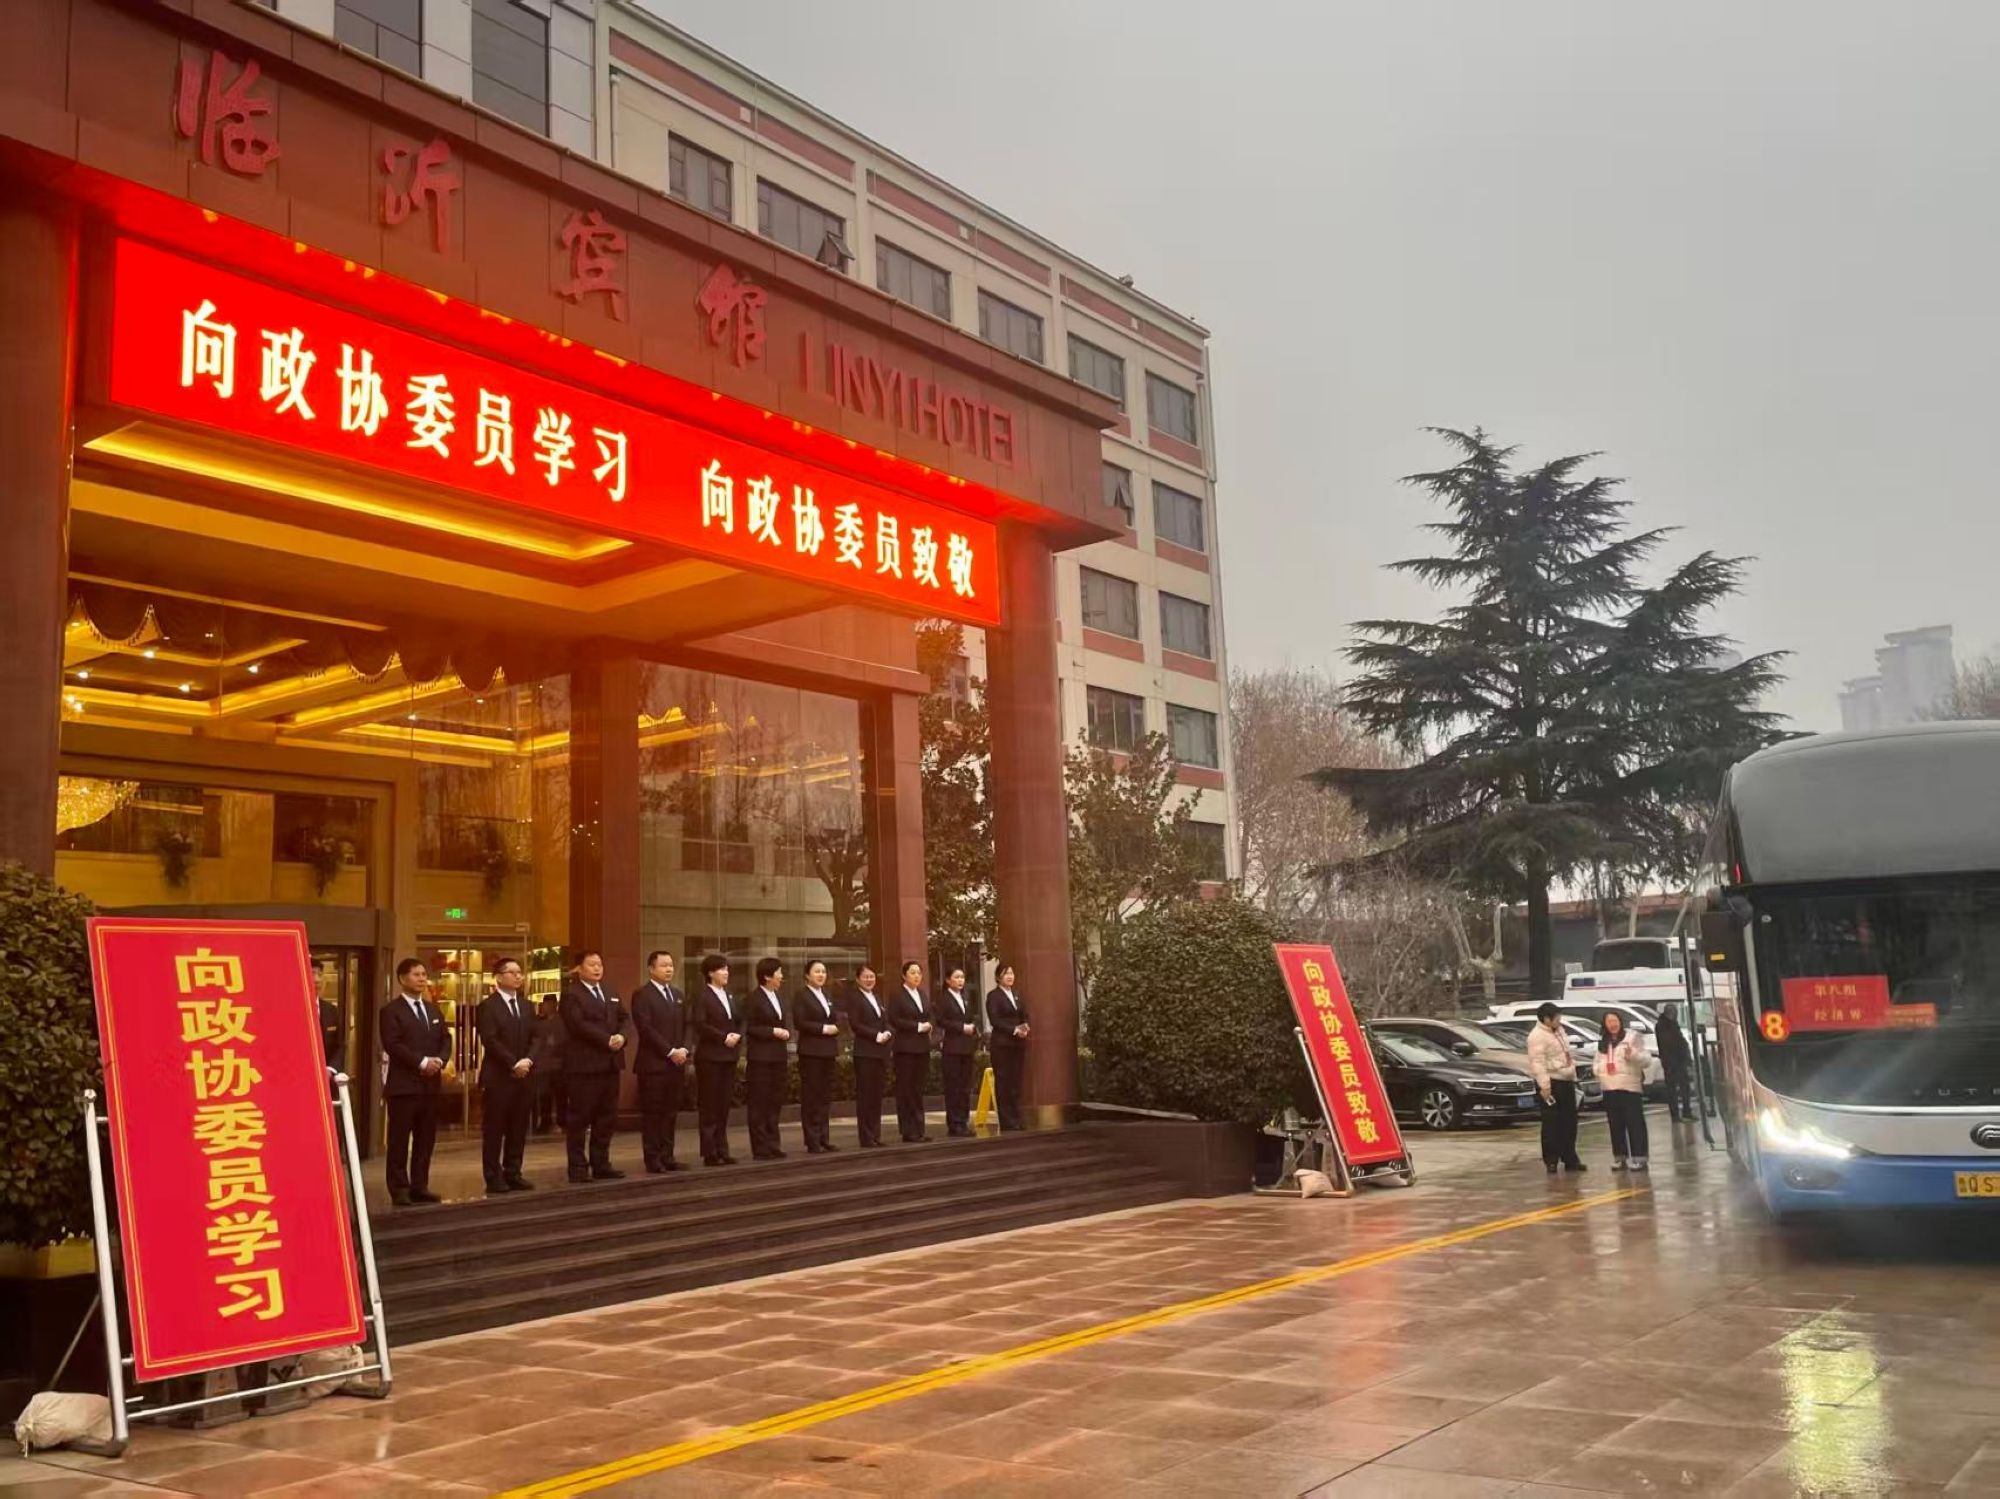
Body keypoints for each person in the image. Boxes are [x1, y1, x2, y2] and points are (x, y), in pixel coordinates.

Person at [379, 958, 451, 1207]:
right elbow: (393, 1044)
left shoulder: (433, 1010)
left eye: (423, 974)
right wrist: (421, 1062)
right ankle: (399, 1188)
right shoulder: (391, 1011)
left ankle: (420, 1186)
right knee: (399, 1140)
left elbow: (446, 1039)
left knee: (425, 1139)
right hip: (404, 1087)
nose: (422, 979)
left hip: (430, 1086)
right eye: (416, 974)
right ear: (402, 979)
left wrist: (440, 1060)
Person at [560, 950, 627, 1183]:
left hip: (610, 1064)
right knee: (580, 1118)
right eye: (591, 964)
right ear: (579, 969)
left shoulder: (610, 991)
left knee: (606, 1117)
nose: (597, 968)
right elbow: (577, 1024)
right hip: (584, 1066)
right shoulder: (571, 994)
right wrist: (606, 1039)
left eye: (599, 964)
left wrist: (621, 1036)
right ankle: (578, 1167)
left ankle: (601, 1163)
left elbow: (624, 1018)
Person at [476, 956, 537, 1195]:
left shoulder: (527, 1006)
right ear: (499, 977)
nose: (518, 976)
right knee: (494, 1129)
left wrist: (528, 1060)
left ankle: (514, 1172)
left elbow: (537, 1037)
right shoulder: (488, 1006)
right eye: (512, 972)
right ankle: (493, 1176)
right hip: (499, 1076)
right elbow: (490, 1040)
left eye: (520, 972)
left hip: (525, 1074)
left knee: (518, 1127)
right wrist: (513, 1063)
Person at [631, 950, 690, 1173]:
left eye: (671, 965)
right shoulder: (642, 995)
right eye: (664, 965)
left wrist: (684, 1049)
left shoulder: (678, 995)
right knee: (653, 1114)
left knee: (670, 1112)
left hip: (676, 1064)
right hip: (653, 1065)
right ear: (651, 969)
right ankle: (653, 1158)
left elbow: (688, 1025)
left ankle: (668, 1155)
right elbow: (645, 1029)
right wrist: (669, 1051)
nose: (669, 969)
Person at [693, 954, 742, 1166]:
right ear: (710, 973)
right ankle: (710, 1151)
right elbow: (700, 1024)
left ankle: (722, 1148)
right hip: (710, 1057)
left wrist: (737, 1035)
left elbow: (739, 1020)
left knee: (723, 1104)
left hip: (728, 1056)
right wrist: (722, 1037)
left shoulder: (729, 995)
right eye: (721, 969)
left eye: (727, 969)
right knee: (709, 1105)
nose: (726, 973)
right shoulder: (703, 997)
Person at [1527, 1001, 1586, 1175]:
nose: (1559, 1020)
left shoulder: (1559, 1031)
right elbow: (1537, 1063)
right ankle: (1551, 1160)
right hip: (1552, 1082)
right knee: (1551, 1124)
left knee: (1570, 1122)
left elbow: (1566, 1053)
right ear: (1547, 1019)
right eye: (1557, 1017)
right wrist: (1544, 1086)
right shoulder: (1537, 1036)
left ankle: (1570, 1158)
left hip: (1566, 1079)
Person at [791, 959, 842, 1154]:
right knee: (812, 1096)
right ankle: (812, 1139)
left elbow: (833, 1016)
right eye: (817, 971)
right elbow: (800, 1022)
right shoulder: (801, 996)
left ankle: (823, 1137)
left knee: (824, 1096)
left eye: (823, 972)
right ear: (807, 975)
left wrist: (835, 1025)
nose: (821, 975)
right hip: (811, 1051)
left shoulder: (826, 994)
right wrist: (823, 1028)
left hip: (828, 1050)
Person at [745, 957, 792, 1160]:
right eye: (778, 973)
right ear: (767, 976)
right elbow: (750, 1028)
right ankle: (760, 1146)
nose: (781, 976)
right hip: (760, 1058)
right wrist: (772, 1031)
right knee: (759, 1103)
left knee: (774, 1102)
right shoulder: (753, 998)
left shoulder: (780, 997)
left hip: (778, 1057)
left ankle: (773, 1143)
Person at [888, 960, 935, 1143]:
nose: (917, 976)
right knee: (906, 1090)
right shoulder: (898, 996)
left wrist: (929, 1024)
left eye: (919, 973)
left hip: (922, 1047)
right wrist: (916, 1026)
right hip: (905, 1049)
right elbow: (894, 1019)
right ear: (904, 975)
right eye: (912, 973)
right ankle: (908, 1131)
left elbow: (929, 1014)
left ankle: (919, 1128)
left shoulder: (922, 994)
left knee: (917, 1090)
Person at [847, 963, 891, 1148]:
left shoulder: (876, 997)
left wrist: (887, 1032)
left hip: (880, 1052)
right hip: (865, 1052)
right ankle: (866, 1137)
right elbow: (855, 1024)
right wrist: (875, 1035)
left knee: (876, 1096)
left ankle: (875, 1134)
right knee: (866, 1096)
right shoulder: (854, 998)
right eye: (865, 976)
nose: (869, 980)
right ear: (858, 979)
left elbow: (884, 1020)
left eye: (872, 976)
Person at [1600, 1012, 1650, 1171]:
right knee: (1615, 1125)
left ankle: (1639, 1157)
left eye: (1614, 1020)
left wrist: (1633, 1055)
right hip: (1610, 1088)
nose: (1612, 1024)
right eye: (1609, 1021)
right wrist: (1599, 1072)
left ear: (1620, 1022)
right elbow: (1597, 1062)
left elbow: (1646, 1060)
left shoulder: (1632, 1038)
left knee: (1635, 1124)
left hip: (1629, 1088)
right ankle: (1620, 1157)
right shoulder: (1604, 1042)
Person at [985, 964, 1030, 1133]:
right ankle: (1007, 1121)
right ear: (998, 977)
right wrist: (1014, 1030)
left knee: (1016, 1082)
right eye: (1006, 974)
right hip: (1002, 1045)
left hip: (1018, 1044)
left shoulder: (1017, 994)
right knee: (1004, 1082)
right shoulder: (993, 996)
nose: (1010, 976)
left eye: (1011, 973)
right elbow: (995, 1020)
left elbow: (1024, 1014)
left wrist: (1025, 1026)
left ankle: (1017, 1118)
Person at [937, 966, 979, 1137]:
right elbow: (941, 1020)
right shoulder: (944, 999)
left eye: (962, 977)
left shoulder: (964, 997)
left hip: (966, 1048)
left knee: (964, 1087)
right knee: (954, 1087)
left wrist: (973, 1028)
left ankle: (963, 1121)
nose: (960, 980)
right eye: (956, 977)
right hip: (952, 1048)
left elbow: (971, 1017)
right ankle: (954, 1124)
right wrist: (961, 1027)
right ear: (948, 980)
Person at [530, 996, 565, 1133]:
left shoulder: (562, 1022)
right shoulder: (539, 1022)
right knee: (544, 1096)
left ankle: (562, 1121)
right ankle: (545, 1122)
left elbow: (564, 1041)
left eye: (549, 1004)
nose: (546, 1007)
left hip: (558, 1065)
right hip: (542, 1065)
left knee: (560, 1095)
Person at [1655, 1001, 1695, 1122]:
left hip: (1678, 1061)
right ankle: (1675, 1115)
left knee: (1684, 1087)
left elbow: (1680, 1042)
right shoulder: (1662, 1025)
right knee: (1672, 1089)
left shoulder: (1672, 1024)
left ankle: (1686, 1112)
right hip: (1670, 1062)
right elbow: (1670, 1043)